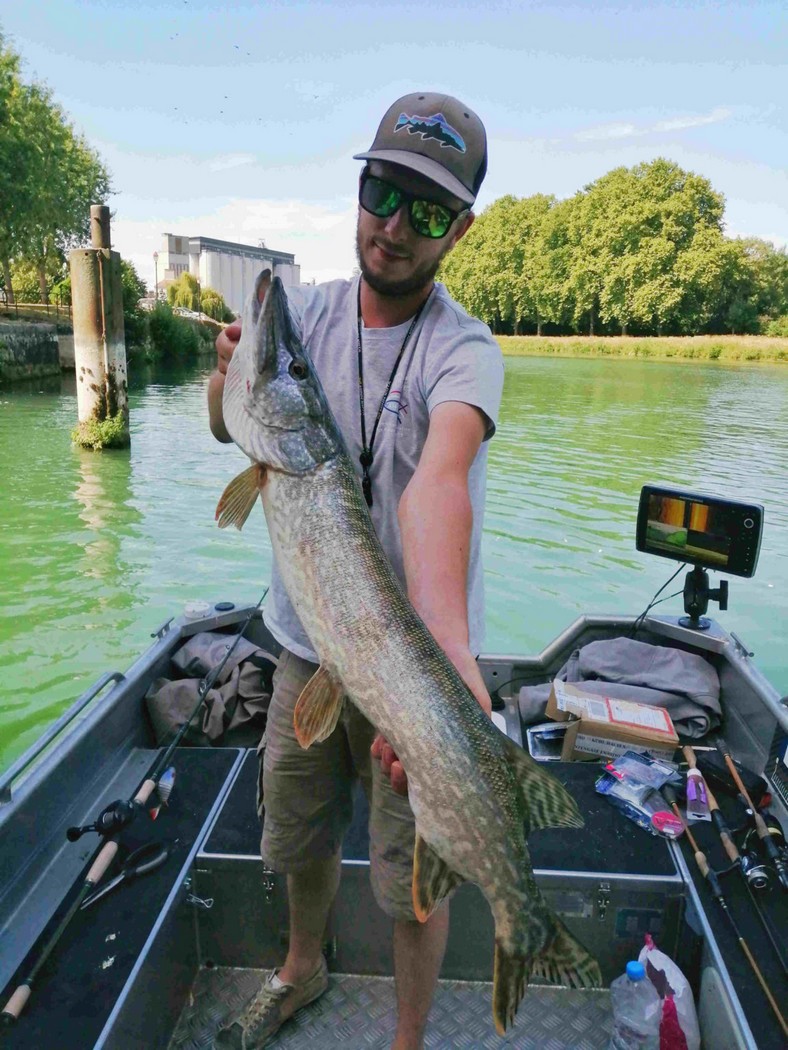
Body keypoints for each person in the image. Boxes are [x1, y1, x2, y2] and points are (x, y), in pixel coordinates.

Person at [208, 91, 504, 1050]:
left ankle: (408, 1039)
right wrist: (228, 380)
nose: (394, 223)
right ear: (362, 186)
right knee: (296, 840)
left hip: (416, 664)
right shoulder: (307, 317)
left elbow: (438, 485)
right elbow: (234, 423)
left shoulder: (465, 353)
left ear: (457, 229)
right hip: (305, 644)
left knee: (412, 881)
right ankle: (303, 969)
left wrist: (450, 660)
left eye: (425, 209)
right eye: (383, 190)